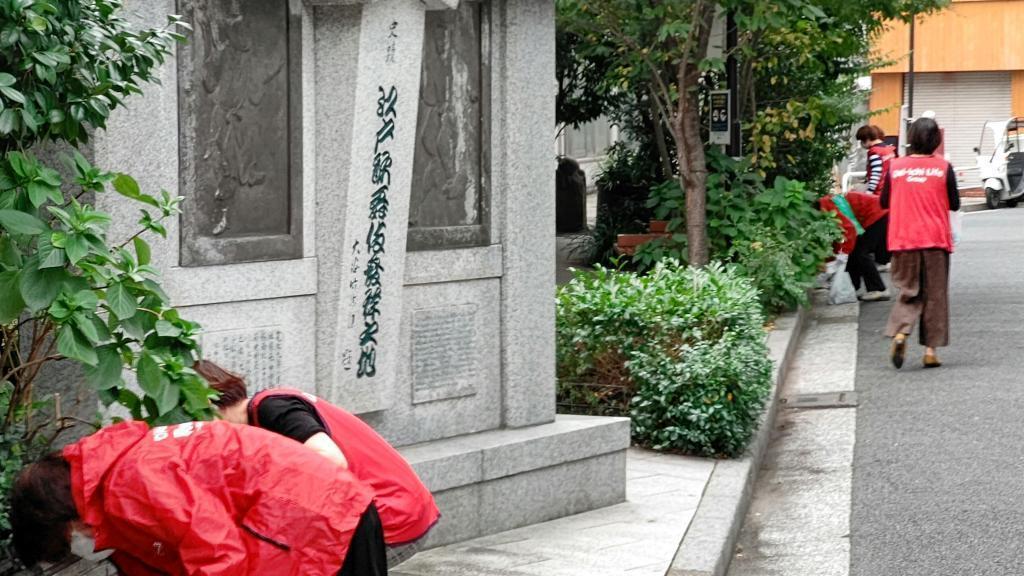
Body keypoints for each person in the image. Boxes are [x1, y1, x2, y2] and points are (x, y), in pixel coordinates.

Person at [10, 419, 388, 575]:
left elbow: (217, 554)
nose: (78, 551)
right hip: (305, 519)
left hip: (323, 518)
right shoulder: (109, 496)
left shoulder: (133, 482)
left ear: (65, 519)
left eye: (66, 545)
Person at [194, 361, 440, 567]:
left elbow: (331, 460)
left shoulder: (272, 409)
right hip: (387, 511)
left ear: (207, 405)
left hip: (391, 516)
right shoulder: (264, 412)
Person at [880, 116, 960, 369]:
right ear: (936, 140)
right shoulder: (943, 168)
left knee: (908, 290)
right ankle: (930, 351)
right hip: (935, 240)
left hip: (903, 239)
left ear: (911, 138)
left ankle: (902, 332)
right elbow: (955, 203)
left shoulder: (895, 167)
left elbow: (883, 202)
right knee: (935, 295)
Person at [817, 191, 891, 301]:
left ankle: (878, 289)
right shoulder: (825, 205)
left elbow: (848, 230)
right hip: (875, 212)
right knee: (854, 252)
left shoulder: (826, 207)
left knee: (860, 253)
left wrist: (842, 253)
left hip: (876, 214)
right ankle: (853, 286)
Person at [857, 125, 897, 196]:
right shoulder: (890, 150)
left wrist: (869, 192)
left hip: (879, 192)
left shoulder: (874, 152)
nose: (861, 144)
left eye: (862, 141)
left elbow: (876, 174)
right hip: (892, 189)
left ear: (867, 139)